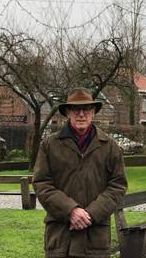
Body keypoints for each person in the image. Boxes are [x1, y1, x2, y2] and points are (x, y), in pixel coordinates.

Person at [33, 88, 127, 258]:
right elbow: (42, 184)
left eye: (86, 109)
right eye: (76, 109)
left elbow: (118, 186)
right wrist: (71, 210)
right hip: (61, 239)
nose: (81, 114)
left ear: (93, 113)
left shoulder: (109, 146)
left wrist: (90, 214)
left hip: (94, 240)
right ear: (68, 112)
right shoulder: (49, 145)